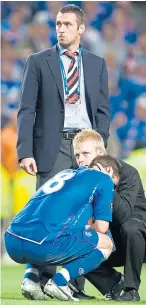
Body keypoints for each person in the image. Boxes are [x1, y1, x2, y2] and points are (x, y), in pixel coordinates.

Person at [17, 4, 110, 299]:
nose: (61, 29)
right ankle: (34, 277)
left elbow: (103, 111)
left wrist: (98, 147)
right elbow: (26, 110)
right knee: (48, 216)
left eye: (68, 24)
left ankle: (68, 284)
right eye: (58, 23)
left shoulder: (97, 63)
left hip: (85, 144)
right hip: (51, 144)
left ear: (81, 29)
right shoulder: (38, 61)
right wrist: (25, 151)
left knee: (80, 217)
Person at [4, 155, 119, 301]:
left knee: (46, 228)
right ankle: (60, 281)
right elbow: (102, 227)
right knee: (106, 242)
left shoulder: (65, 173)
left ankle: (30, 279)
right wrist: (86, 227)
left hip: (11, 239)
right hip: (44, 247)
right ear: (109, 170)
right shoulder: (104, 178)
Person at [72, 129, 146, 302]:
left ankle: (130, 289)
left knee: (131, 226)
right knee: (75, 243)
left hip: (138, 239)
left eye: (85, 153)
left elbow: (124, 216)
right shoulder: (79, 179)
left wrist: (108, 185)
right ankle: (115, 286)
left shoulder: (128, 173)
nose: (81, 159)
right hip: (112, 242)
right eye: (77, 155)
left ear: (101, 152)